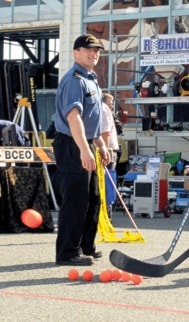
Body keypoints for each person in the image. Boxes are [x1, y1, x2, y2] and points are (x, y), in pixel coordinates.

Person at [53, 34, 110, 266]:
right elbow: (73, 117)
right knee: (76, 200)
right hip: (72, 144)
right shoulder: (74, 80)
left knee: (93, 198)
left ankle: (85, 244)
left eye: (96, 50)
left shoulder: (91, 79)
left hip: (85, 142)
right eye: (88, 50)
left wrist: (100, 143)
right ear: (76, 52)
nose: (93, 54)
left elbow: (90, 118)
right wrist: (84, 150)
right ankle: (67, 252)